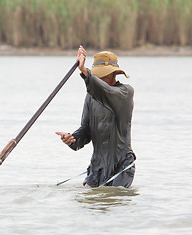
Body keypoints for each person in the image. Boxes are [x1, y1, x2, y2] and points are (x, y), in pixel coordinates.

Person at [56, 45, 136, 188]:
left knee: (114, 202)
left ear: (113, 74)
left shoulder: (125, 93)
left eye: (102, 74)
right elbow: (86, 131)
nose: (98, 77)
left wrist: (85, 72)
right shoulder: (91, 97)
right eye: (96, 74)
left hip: (120, 166)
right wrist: (72, 139)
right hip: (97, 167)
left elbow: (106, 92)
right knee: (88, 201)